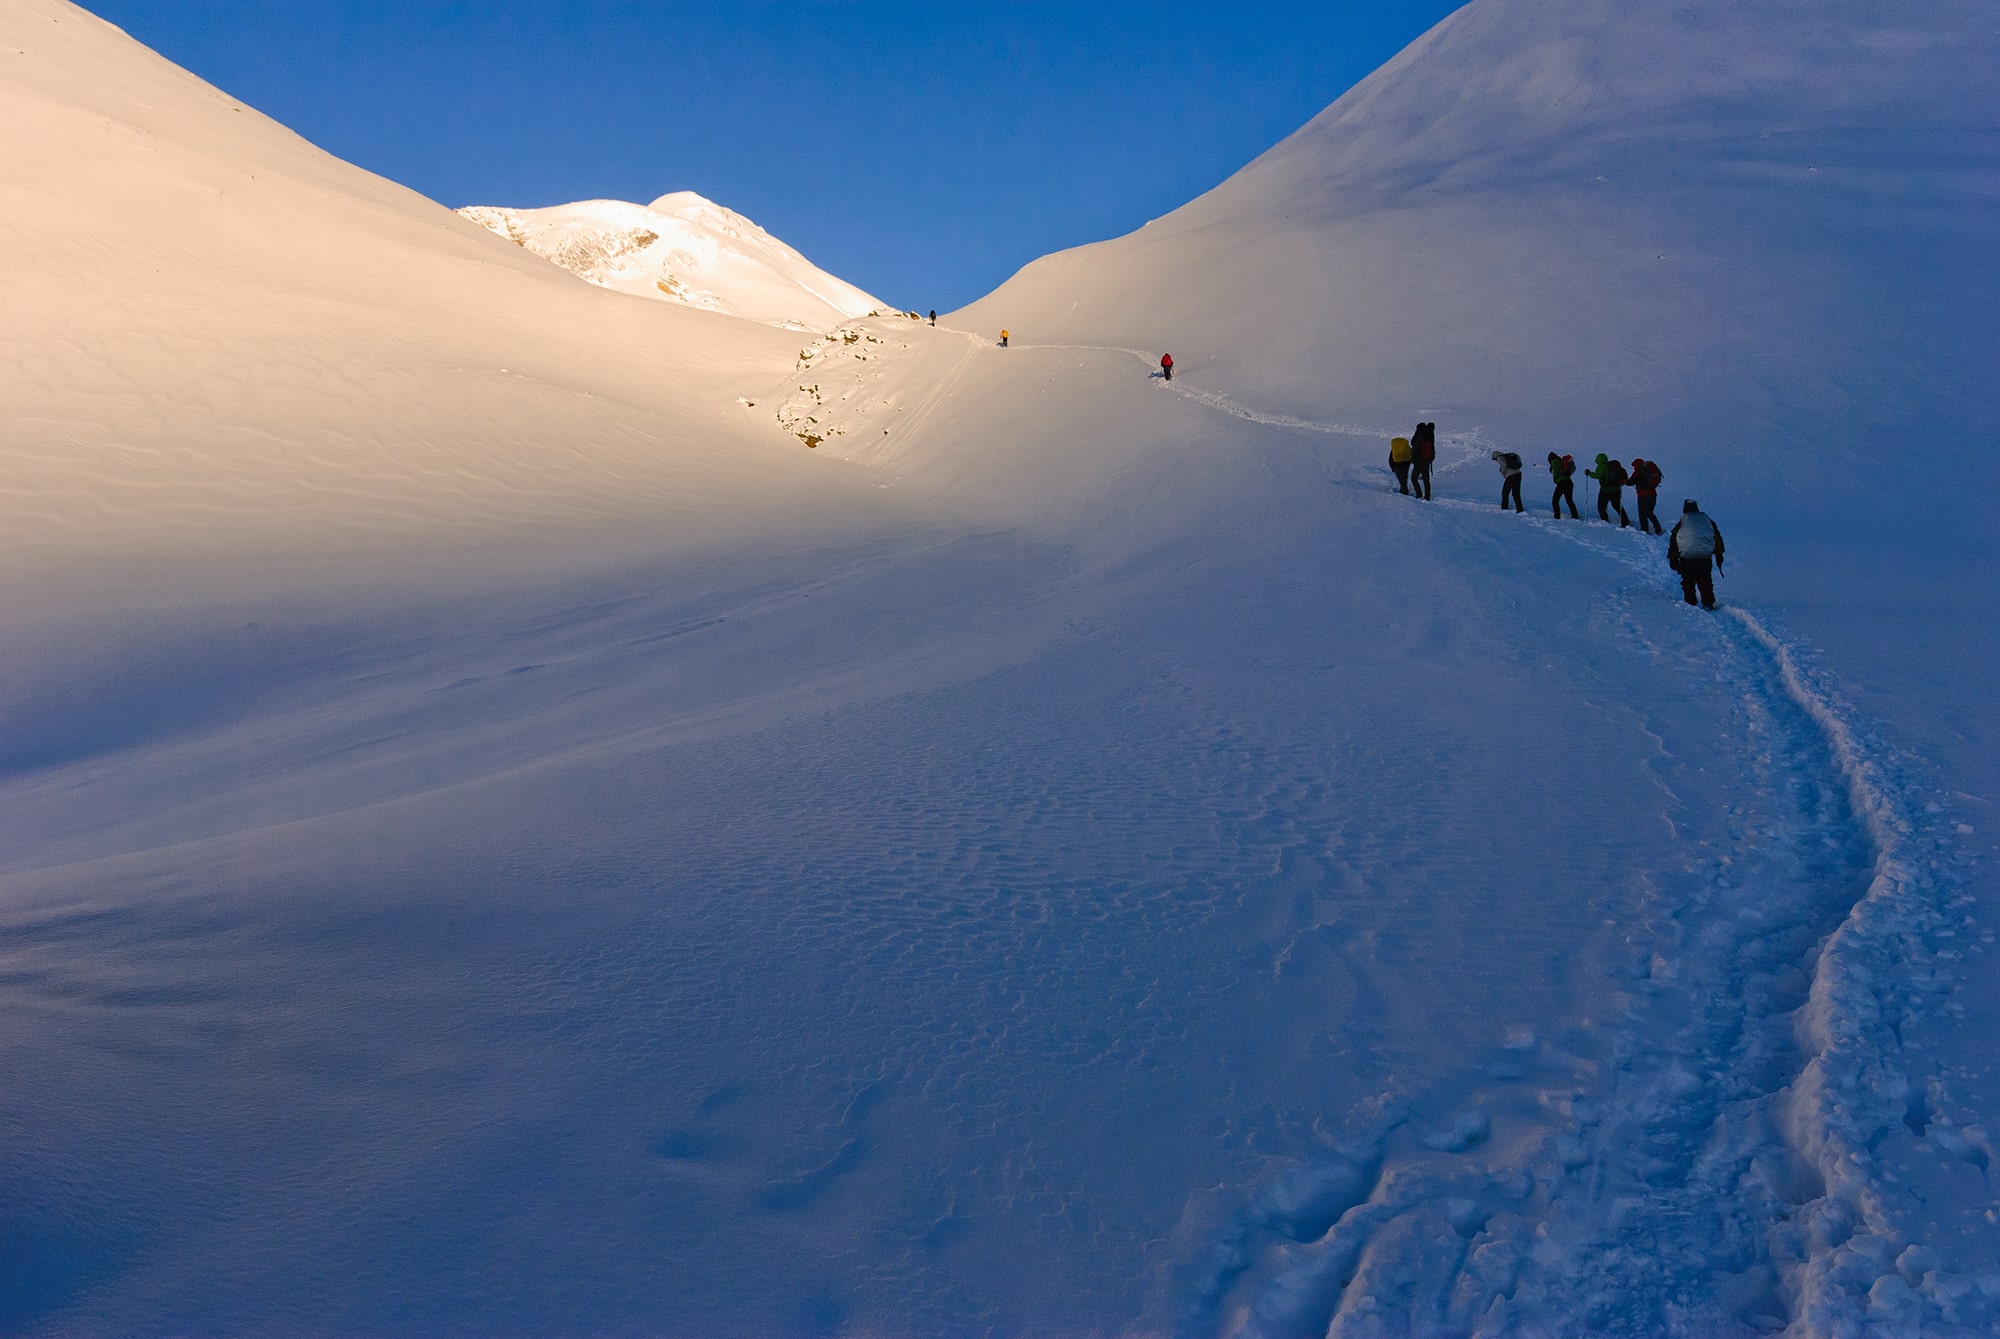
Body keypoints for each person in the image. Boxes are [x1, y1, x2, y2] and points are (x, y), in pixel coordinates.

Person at [1667, 499, 1725, 608]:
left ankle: (1690, 602)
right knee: (1705, 579)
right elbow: (1716, 537)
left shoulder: (1683, 521)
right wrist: (1719, 554)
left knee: (1688, 580)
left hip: (1687, 556)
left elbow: (1674, 539)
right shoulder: (1707, 520)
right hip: (1704, 556)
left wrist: (1672, 558)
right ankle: (1708, 602)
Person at [1586, 453, 1631, 526]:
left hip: (1605, 490)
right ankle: (1625, 521)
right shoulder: (1612, 466)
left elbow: (1597, 475)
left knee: (1601, 506)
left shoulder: (1602, 465)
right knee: (1617, 506)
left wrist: (1589, 473)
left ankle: (1605, 521)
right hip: (1616, 490)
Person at [1630, 457, 1664, 534]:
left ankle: (1644, 531)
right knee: (1649, 512)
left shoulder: (1638, 472)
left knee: (1642, 514)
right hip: (1653, 495)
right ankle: (1658, 528)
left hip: (1642, 495)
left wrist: (1624, 481)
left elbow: (1630, 482)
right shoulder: (1648, 471)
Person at [1547, 451, 1580, 518]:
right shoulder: (1560, 461)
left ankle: (1557, 516)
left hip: (1562, 483)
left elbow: (1556, 473)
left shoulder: (1554, 462)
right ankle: (1575, 516)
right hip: (1569, 482)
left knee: (1555, 500)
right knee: (1569, 500)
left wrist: (1555, 480)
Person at [1410, 422, 1435, 500]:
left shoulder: (1418, 437)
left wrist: (1413, 459)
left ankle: (1419, 494)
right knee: (1426, 480)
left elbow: (1414, 449)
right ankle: (1427, 497)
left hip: (1419, 462)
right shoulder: (1430, 436)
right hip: (1427, 461)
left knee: (1414, 478)